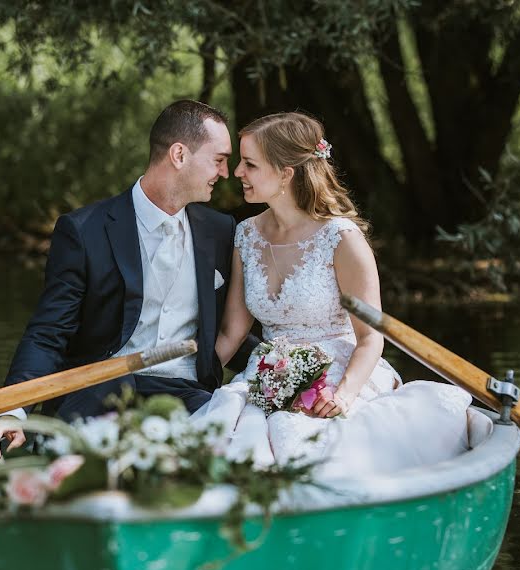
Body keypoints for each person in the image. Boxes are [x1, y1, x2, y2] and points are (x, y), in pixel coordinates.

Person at [192, 112, 472, 491]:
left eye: (250, 164)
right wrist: (195, 378)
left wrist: (342, 396)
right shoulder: (245, 235)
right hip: (268, 373)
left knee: (301, 440)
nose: (237, 171)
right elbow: (233, 330)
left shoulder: (341, 238)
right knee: (222, 436)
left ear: (286, 173)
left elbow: (372, 337)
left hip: (339, 373)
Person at [0, 100, 254, 459]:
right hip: (101, 391)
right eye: (219, 159)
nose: (225, 172)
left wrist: (289, 372)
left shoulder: (220, 231)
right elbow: (49, 332)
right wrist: (13, 409)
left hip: (188, 395)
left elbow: (232, 331)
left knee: (239, 441)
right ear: (179, 155)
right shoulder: (84, 231)